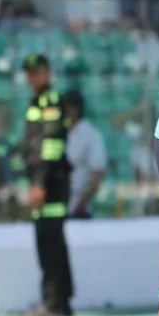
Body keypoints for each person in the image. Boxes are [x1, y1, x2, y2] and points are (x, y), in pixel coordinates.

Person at [21, 53, 74, 316]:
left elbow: (51, 146)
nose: (33, 77)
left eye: (37, 71)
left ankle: (54, 302)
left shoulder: (50, 101)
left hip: (51, 186)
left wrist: (39, 184)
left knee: (49, 243)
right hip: (47, 183)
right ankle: (59, 301)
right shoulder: (38, 101)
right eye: (30, 72)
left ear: (48, 72)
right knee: (51, 242)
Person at [62, 90, 106, 219]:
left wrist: (81, 204)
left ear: (75, 109)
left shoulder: (90, 134)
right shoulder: (60, 133)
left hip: (79, 208)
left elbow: (98, 173)